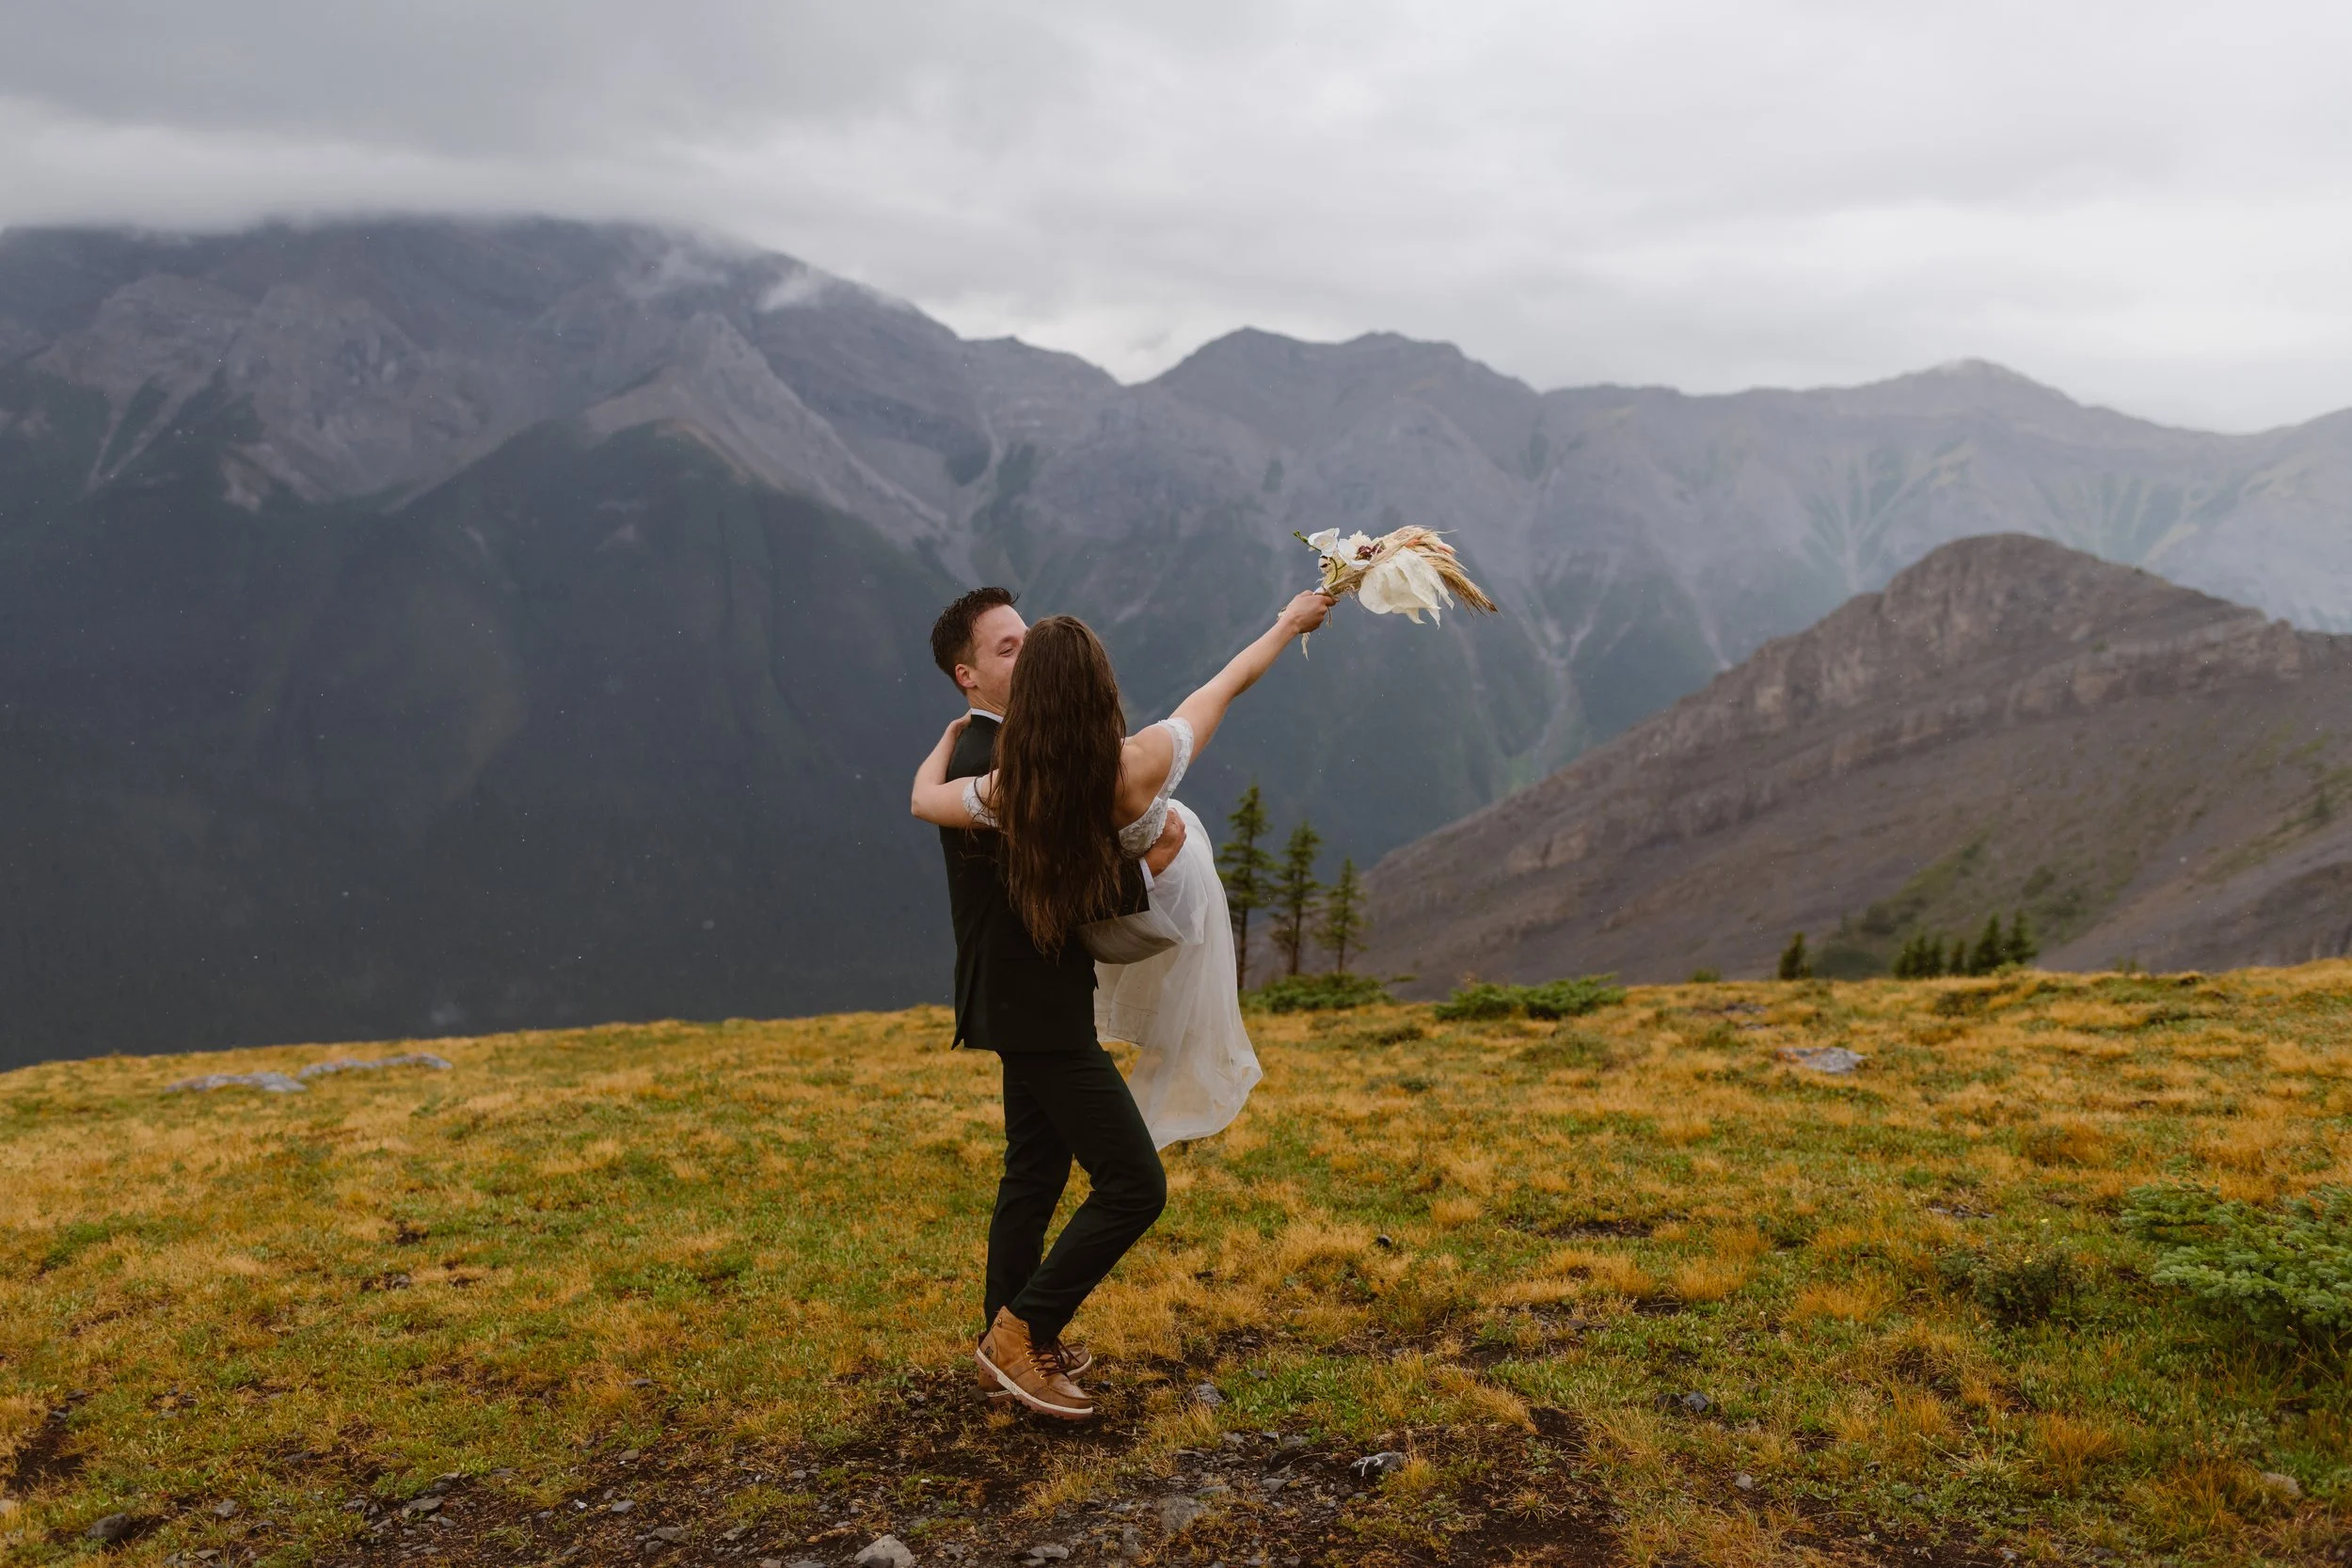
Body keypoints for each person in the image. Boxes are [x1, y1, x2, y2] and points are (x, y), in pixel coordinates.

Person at [914, 586, 1335, 1419]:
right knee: (1135, 1182)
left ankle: (1007, 1334)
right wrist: (1143, 872)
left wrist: (929, 759)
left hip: (1018, 998)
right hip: (1033, 1004)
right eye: (1006, 648)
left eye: (1028, 641)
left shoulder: (997, 768)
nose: (1024, 652)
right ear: (968, 676)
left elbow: (933, 806)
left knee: (1033, 1170)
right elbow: (1051, 890)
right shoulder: (1010, 771)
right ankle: (1023, 1329)